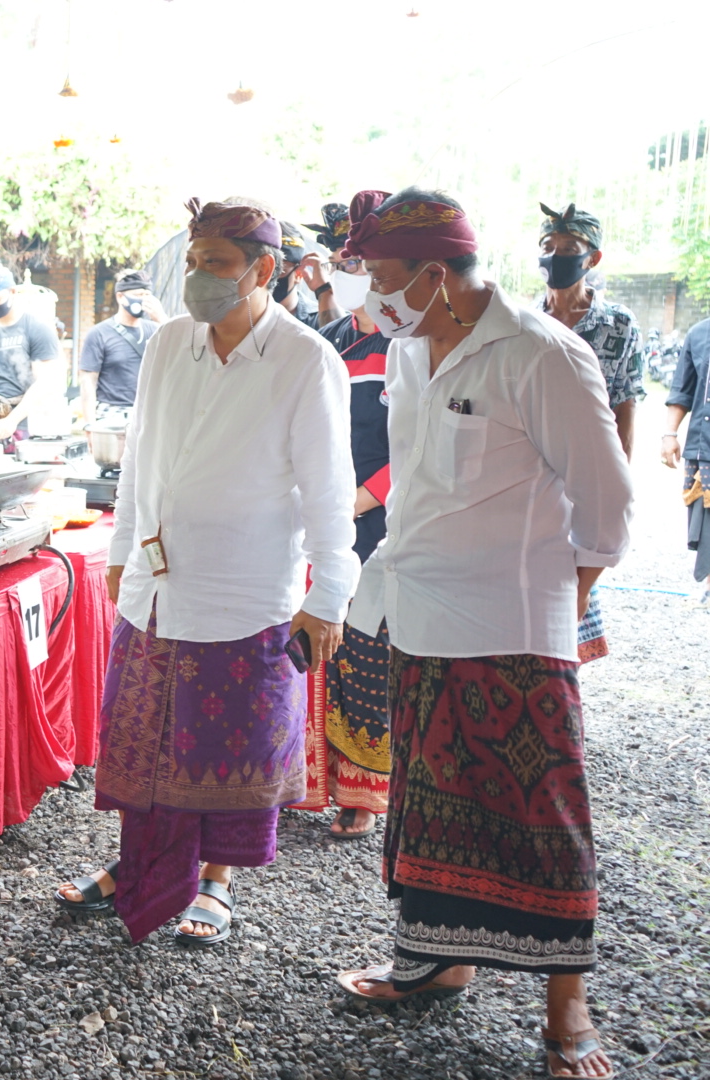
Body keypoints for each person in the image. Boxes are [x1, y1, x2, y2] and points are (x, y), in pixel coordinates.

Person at [333, 189, 631, 1080]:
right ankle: (437, 958)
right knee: (428, 802)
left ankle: (567, 1008)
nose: (373, 299)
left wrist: (557, 604)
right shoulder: (409, 346)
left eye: (385, 279)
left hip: (514, 627)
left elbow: (608, 506)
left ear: (436, 275)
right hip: (420, 613)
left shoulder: (540, 355)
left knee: (543, 814)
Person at [56, 198, 358, 951]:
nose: (198, 278)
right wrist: (122, 553)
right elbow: (140, 461)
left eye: (215, 265)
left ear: (263, 269)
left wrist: (327, 601)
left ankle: (217, 883)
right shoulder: (165, 344)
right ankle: (138, 867)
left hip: (247, 592)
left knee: (227, 747)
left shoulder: (304, 358)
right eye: (192, 263)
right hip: (154, 588)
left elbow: (328, 494)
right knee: (145, 739)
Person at [294, 240, 393, 839]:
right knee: (311, 646)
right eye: (343, 265)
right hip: (323, 515)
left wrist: (356, 503)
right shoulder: (328, 340)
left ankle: (365, 791)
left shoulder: (407, 346)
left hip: (379, 518)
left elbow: (415, 447)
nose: (349, 275)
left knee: (364, 657)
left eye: (361, 265)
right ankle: (307, 778)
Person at [537, 202, 641, 663]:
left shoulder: (617, 326)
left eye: (570, 248)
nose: (557, 256)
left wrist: (613, 481)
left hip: (586, 468)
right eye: (549, 247)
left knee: (576, 581)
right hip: (535, 471)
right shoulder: (525, 321)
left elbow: (625, 407)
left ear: (592, 258)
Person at [0, 265, 62, 445]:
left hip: (25, 422)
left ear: (12, 291)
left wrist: (12, 420)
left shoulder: (37, 329)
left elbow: (46, 381)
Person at [78, 269, 165, 421]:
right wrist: (90, 426)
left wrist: (162, 319)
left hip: (149, 413)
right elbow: (88, 382)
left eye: (147, 295)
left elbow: (184, 354)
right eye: (138, 295)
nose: (144, 300)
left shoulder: (156, 330)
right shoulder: (99, 333)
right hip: (111, 415)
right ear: (120, 297)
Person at [663, 314, 710, 595]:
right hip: (704, 450)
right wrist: (670, 434)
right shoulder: (698, 334)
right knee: (707, 528)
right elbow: (682, 390)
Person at [304, 203, 353, 327]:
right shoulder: (345, 328)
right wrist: (323, 289)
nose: (338, 273)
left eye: (350, 263)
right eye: (333, 264)